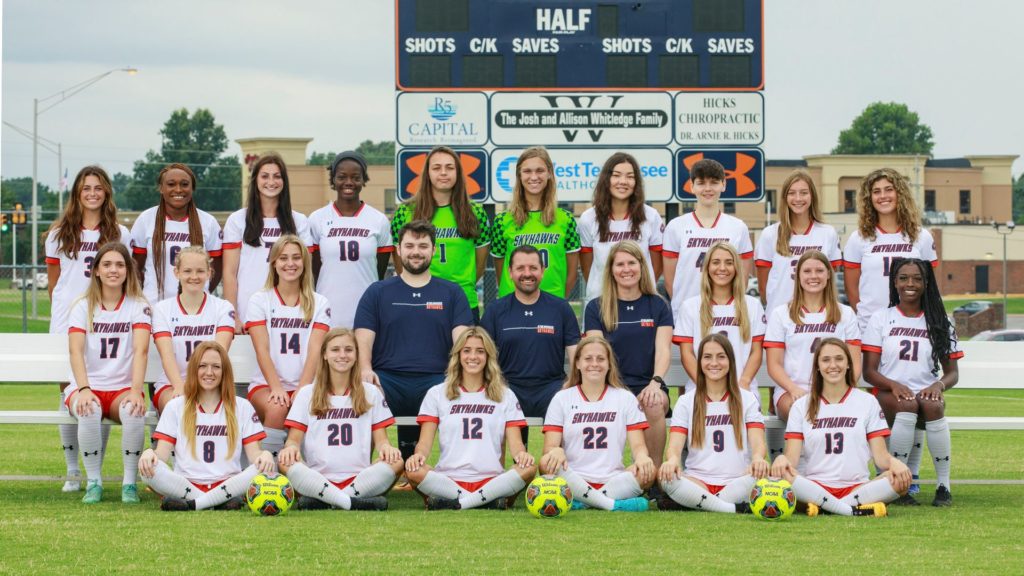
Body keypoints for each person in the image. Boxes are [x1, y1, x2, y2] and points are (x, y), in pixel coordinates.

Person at [355, 220, 473, 469]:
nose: (416, 251)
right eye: (409, 245)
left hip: (437, 379)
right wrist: (365, 369)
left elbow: (462, 342)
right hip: (388, 379)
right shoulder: (377, 292)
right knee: (363, 393)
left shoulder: (452, 293)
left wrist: (456, 376)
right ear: (398, 249)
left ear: (433, 249)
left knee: (464, 395)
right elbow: (363, 336)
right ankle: (363, 470)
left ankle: (462, 471)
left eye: (422, 245)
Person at [45, 165, 130, 492]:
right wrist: (70, 314)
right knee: (69, 390)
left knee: (100, 386)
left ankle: (93, 467)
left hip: (106, 320)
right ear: (77, 194)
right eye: (86, 188)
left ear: (106, 192)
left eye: (98, 187)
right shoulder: (58, 234)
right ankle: (72, 470)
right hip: (68, 320)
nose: (92, 193)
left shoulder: (119, 233)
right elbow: (55, 285)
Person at [772, 338, 911, 517]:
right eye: (826, 360)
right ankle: (851, 509)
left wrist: (895, 463)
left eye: (839, 359)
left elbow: (881, 457)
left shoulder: (867, 401)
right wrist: (782, 460)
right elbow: (792, 459)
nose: (833, 365)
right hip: (815, 486)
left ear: (848, 364)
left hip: (857, 487)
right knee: (782, 475)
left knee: (900, 481)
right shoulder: (801, 406)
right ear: (817, 366)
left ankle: (825, 508)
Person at [863, 258, 961, 507]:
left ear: (927, 283)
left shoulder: (939, 321)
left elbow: (952, 373)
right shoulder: (881, 318)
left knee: (934, 407)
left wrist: (938, 386)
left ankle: (943, 486)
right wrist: (893, 385)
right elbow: (869, 372)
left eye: (917, 278)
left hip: (924, 391)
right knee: (907, 404)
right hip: (888, 392)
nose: (911, 283)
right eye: (904, 278)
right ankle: (896, 485)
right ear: (894, 282)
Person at [406, 328, 536, 510]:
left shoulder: (505, 395)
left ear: (488, 356)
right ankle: (487, 501)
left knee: (529, 468)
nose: (473, 356)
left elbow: (516, 445)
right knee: (413, 470)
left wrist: (521, 455)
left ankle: (456, 503)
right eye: (466, 350)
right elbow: (424, 443)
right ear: (458, 355)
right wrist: (418, 456)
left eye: (480, 351)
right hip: (449, 478)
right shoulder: (437, 393)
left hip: (491, 479)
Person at [139, 341, 275, 511]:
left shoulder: (242, 406)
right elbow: (162, 455)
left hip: (228, 482)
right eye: (203, 366)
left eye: (216, 367)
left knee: (261, 469)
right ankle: (216, 501)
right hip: (187, 483)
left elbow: (255, 455)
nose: (209, 372)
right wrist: (149, 453)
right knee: (147, 468)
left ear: (225, 371)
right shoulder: (175, 406)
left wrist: (266, 455)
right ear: (194, 369)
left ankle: (192, 503)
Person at [278, 328, 402, 511]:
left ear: (356, 355)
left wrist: (387, 449)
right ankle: (352, 501)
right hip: (317, 477)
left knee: (397, 461)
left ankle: (328, 500)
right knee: (283, 461)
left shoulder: (371, 392)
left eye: (348, 350)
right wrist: (290, 449)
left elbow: (382, 441)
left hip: (360, 478)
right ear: (325, 355)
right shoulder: (306, 394)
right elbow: (293, 441)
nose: (342, 355)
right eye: (335, 349)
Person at [65, 242, 151, 504]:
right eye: (107, 264)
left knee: (134, 411)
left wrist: (136, 391)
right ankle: (94, 481)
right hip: (87, 385)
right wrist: (84, 389)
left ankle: (129, 483)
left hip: (121, 387)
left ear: (128, 270)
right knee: (87, 408)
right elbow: (76, 352)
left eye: (120, 264)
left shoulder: (138, 305)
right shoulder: (82, 306)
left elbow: (141, 351)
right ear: (97, 271)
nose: (114, 270)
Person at [480, 245, 580, 448]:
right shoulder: (495, 310)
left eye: (533, 268)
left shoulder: (560, 308)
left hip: (551, 387)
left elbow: (577, 354)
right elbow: (483, 357)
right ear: (510, 272)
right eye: (520, 268)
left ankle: (553, 477)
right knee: (493, 420)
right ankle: (497, 476)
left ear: (542, 271)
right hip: (507, 386)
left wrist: (570, 384)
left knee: (570, 409)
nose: (527, 274)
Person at [583, 241, 672, 470]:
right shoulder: (597, 307)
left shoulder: (658, 305)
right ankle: (600, 473)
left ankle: (653, 475)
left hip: (648, 383)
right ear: (611, 270)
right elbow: (596, 355)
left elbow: (663, 350)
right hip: (611, 385)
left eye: (632, 262)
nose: (626, 269)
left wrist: (656, 383)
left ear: (641, 266)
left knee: (653, 403)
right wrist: (615, 391)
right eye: (620, 264)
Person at [540, 336, 654, 512]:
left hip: (613, 479)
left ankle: (582, 501)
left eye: (601, 359)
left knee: (649, 471)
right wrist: (556, 450)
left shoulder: (624, 398)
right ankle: (612, 505)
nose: (594, 363)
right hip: (573, 476)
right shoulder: (562, 398)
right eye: (588, 359)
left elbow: (638, 445)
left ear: (609, 364)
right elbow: (550, 448)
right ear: (577, 363)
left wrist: (642, 458)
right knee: (546, 463)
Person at [764, 250, 861, 459]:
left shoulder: (845, 314)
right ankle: (800, 470)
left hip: (834, 389)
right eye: (807, 271)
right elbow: (774, 364)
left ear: (828, 275)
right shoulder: (782, 314)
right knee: (801, 411)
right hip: (793, 391)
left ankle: (828, 472)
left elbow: (854, 363)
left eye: (819, 270)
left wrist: (840, 391)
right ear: (798, 276)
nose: (813, 276)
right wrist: (793, 389)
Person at [658, 334, 767, 512]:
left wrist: (757, 459)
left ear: (730, 361)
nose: (714, 363)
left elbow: (758, 443)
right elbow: (675, 446)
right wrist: (672, 461)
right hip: (698, 481)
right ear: (700, 362)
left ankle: (701, 504)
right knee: (666, 479)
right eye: (707, 357)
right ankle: (733, 508)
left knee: (763, 477)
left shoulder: (747, 399)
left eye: (721, 356)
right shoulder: (687, 401)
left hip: (737, 480)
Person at [244, 235, 332, 457]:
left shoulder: (319, 302)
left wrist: (303, 390)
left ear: (304, 262)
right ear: (274, 262)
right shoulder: (260, 300)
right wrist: (276, 387)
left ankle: (313, 469)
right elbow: (261, 349)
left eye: (296, 258)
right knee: (278, 406)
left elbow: (315, 351)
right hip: (266, 385)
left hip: (307, 384)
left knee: (324, 406)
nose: (290, 264)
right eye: (283, 258)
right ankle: (268, 475)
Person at [390, 146, 489, 321]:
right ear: (427, 173)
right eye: (436, 168)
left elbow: (479, 265)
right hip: (421, 300)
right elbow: (400, 263)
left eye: (450, 167)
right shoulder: (405, 212)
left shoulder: (476, 212)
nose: (443, 173)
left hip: (463, 301)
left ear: (458, 173)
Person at [222, 154, 311, 332]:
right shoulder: (238, 220)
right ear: (255, 180)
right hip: (248, 312)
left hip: (288, 314)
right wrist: (233, 316)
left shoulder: (299, 221)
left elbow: (306, 271)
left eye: (277, 176)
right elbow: (229, 273)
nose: (271, 182)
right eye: (265, 176)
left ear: (284, 181)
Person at [843, 168, 937, 333]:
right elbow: (852, 287)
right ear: (869, 198)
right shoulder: (858, 238)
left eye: (889, 190)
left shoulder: (922, 236)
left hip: (911, 324)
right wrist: (864, 317)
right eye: (876, 191)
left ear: (900, 194)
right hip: (869, 325)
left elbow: (930, 285)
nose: (883, 196)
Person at [310, 151, 392, 328]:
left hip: (367, 309)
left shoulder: (378, 220)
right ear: (333, 180)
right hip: (327, 309)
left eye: (355, 177)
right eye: (341, 177)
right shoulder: (317, 219)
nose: (348, 182)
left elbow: (379, 270)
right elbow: (315, 269)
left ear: (364, 180)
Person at [674, 242, 765, 398]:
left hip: (742, 388)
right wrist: (705, 386)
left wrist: (744, 382)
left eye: (729, 263)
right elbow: (687, 354)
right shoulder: (690, 306)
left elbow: (756, 352)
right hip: (701, 388)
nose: (722, 268)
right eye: (716, 262)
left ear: (736, 268)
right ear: (707, 268)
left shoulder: (752, 305)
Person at [663, 158, 753, 315]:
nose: (708, 188)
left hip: (726, 312)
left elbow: (742, 280)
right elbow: (670, 281)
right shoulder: (676, 227)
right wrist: (683, 305)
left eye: (714, 182)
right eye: (701, 183)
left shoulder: (738, 227)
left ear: (723, 185)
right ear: (692, 187)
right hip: (686, 313)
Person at [151, 247, 236, 414]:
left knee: (216, 408)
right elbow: (166, 355)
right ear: (177, 273)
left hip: (212, 381)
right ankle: (167, 441)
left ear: (209, 273)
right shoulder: (162, 309)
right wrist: (179, 386)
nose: (194, 277)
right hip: (172, 384)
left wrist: (204, 388)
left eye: (200, 271)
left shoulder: (223, 308)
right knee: (181, 406)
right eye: (187, 271)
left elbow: (219, 354)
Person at [491, 147, 581, 299]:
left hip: (552, 301)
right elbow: (501, 271)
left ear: (550, 174)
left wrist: (557, 300)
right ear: (519, 176)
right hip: (513, 303)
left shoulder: (566, 219)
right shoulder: (502, 221)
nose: (534, 177)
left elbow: (572, 273)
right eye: (527, 171)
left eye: (540, 170)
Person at [578, 152, 664, 306]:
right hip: (601, 300)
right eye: (616, 175)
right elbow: (588, 268)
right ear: (606, 179)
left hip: (641, 300)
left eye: (630, 176)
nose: (623, 181)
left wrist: (634, 285)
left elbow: (655, 266)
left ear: (636, 182)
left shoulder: (651, 216)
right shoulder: (588, 218)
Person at [131, 163, 223, 303]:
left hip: (195, 307)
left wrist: (203, 288)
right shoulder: (146, 219)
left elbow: (216, 269)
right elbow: (135, 266)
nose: (178, 189)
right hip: (154, 306)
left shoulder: (208, 222)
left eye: (185, 184)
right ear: (161, 188)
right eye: (171, 184)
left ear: (192, 188)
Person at [754, 169, 841, 316]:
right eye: (792, 193)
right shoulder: (770, 234)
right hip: (780, 315)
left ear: (812, 195)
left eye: (804, 192)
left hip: (818, 316)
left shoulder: (828, 233)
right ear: (784, 197)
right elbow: (763, 287)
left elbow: (829, 278)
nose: (798, 198)